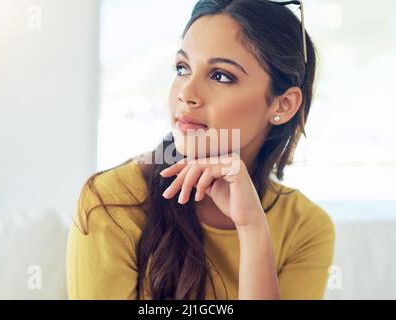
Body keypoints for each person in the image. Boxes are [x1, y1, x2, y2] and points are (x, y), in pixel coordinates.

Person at [66, 0, 335, 300]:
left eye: (221, 75)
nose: (186, 93)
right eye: (182, 68)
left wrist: (253, 230)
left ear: (282, 105)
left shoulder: (306, 228)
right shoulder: (111, 203)